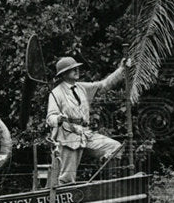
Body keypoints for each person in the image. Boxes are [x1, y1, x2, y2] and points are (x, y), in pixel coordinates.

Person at [46, 56, 133, 185]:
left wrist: (121, 69)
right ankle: (63, 202)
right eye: (72, 69)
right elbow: (50, 117)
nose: (77, 71)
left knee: (114, 148)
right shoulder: (56, 93)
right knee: (66, 179)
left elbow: (104, 85)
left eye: (77, 68)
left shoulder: (82, 87)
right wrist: (58, 118)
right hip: (68, 137)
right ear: (64, 74)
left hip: (85, 134)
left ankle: (108, 184)